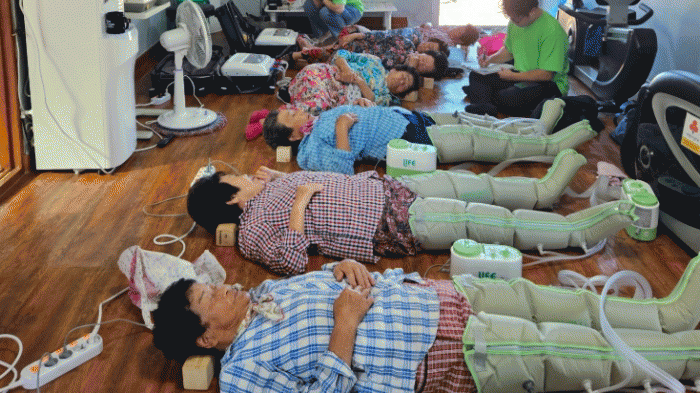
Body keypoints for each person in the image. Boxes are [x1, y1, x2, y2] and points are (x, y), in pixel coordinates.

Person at [151, 257, 700, 393]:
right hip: (439, 352)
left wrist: (345, 266)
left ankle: (671, 316)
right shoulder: (241, 373)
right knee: (571, 349)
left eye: (211, 283)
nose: (222, 286)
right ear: (207, 337)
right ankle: (686, 355)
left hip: (436, 295)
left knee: (563, 303)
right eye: (208, 296)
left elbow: (336, 279)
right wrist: (344, 326)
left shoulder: (264, 293)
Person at [186, 150, 611, 275]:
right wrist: (297, 202)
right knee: (488, 223)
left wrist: (280, 179)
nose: (246, 176)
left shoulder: (267, 189)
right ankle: (576, 231)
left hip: (389, 187)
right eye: (238, 178)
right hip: (391, 223)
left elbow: (308, 183)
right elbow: (290, 261)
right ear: (231, 200)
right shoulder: (251, 232)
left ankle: (545, 191)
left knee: (478, 185)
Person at [465, 0, 569, 117]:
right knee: (476, 75)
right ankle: (486, 106)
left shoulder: (552, 31)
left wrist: (512, 76)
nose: (513, 22)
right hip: (520, 74)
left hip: (548, 84)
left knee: (507, 97)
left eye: (516, 19)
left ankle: (483, 96)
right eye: (511, 18)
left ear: (532, 11)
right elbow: (509, 51)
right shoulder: (516, 22)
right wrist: (489, 60)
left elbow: (546, 75)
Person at [263, 105, 436, 174]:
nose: (301, 111)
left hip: (403, 117)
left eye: (295, 110)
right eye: (294, 115)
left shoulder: (316, 122)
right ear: (293, 136)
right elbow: (342, 171)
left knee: (450, 122)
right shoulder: (309, 151)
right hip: (404, 137)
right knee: (450, 137)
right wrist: (342, 127)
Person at [277, 50, 420, 114]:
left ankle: (277, 115)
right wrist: (346, 70)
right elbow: (342, 54)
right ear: (395, 69)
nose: (401, 82)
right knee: (312, 78)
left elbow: (370, 101)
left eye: (405, 86)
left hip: (335, 94)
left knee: (318, 106)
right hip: (326, 72)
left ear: (401, 93)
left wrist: (358, 80)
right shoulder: (375, 61)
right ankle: (292, 96)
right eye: (404, 77)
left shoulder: (386, 97)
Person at [291, 31, 450, 79]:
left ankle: (304, 52)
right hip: (355, 49)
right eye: (423, 58)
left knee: (321, 65)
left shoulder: (405, 76)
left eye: (422, 66)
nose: (419, 61)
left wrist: (410, 69)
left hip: (355, 68)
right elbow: (377, 36)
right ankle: (295, 55)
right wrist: (354, 36)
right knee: (331, 52)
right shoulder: (406, 43)